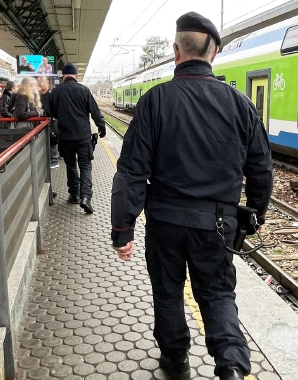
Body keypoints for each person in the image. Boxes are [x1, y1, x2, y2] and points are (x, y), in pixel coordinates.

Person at [110, 12, 273, 380]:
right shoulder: (240, 104)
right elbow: (262, 170)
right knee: (217, 295)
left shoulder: (154, 101)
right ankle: (231, 365)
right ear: (213, 53)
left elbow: (131, 171)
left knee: (168, 292)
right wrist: (256, 214)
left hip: (164, 222)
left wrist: (124, 227)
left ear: (175, 52)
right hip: (217, 224)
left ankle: (175, 360)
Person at [50, 63, 106, 214]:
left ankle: (74, 194)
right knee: (85, 166)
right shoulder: (84, 90)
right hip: (83, 137)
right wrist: (101, 127)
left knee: (71, 165)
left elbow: (51, 113)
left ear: (63, 76)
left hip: (65, 137)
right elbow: (95, 112)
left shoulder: (56, 91)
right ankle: (86, 197)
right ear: (75, 75)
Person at [37, 76, 60, 169]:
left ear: (47, 83)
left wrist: (46, 112)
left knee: (52, 139)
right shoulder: (37, 95)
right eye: (39, 82)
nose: (40, 84)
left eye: (42, 82)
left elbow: (55, 109)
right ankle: (44, 158)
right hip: (39, 121)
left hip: (51, 121)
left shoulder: (51, 95)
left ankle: (54, 159)